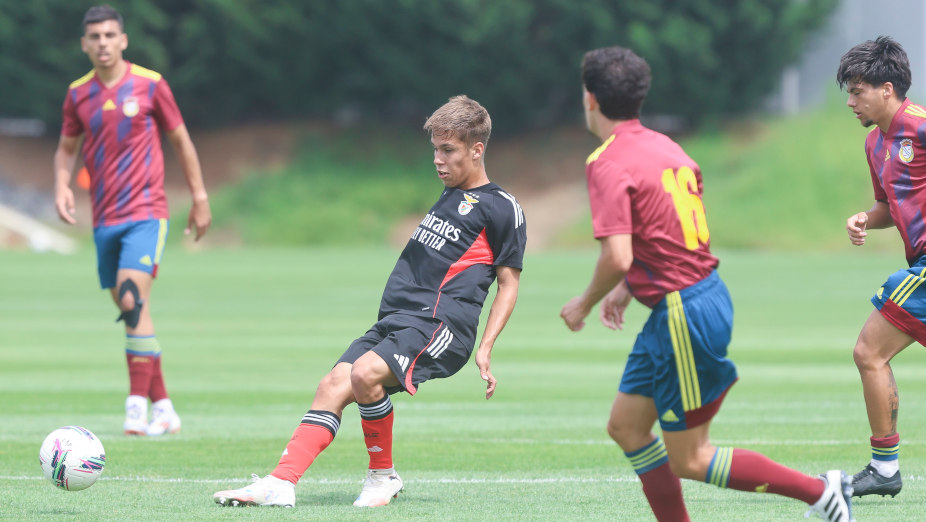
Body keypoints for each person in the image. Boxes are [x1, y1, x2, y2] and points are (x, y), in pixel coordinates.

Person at [559, 46, 852, 521]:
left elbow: (618, 255)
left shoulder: (607, 161)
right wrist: (627, 287)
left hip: (684, 312)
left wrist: (584, 304)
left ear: (590, 99)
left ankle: (820, 492)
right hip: (689, 299)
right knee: (627, 427)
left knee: (692, 458)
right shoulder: (668, 147)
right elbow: (667, 238)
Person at [212, 95, 526, 508]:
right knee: (331, 386)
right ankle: (280, 482)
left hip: (441, 326)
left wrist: (486, 348)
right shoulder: (448, 195)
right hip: (398, 320)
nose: (438, 159)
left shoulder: (502, 208)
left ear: (477, 149)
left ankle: (382, 477)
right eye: (435, 148)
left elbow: (508, 283)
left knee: (364, 375)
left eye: (448, 150)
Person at [53, 5, 211, 437]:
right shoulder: (78, 94)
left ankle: (135, 407)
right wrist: (62, 186)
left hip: (146, 213)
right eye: (94, 37)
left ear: (123, 40)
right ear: (84, 44)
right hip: (103, 219)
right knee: (132, 313)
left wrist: (199, 197)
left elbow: (181, 140)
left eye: (109, 35)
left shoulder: (151, 85)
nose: (102, 43)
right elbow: (67, 148)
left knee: (129, 298)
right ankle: (164, 408)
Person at [837, 35, 923, 499]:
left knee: (870, 351)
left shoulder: (921, 126)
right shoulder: (875, 144)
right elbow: (889, 205)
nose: (851, 101)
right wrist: (865, 218)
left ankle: (884, 468)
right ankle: (885, 468)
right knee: (870, 353)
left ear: (886, 89)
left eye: (857, 91)